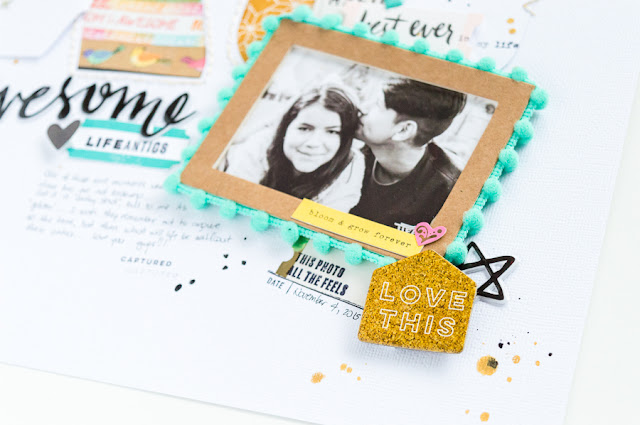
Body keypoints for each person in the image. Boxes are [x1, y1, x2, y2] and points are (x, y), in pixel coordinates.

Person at [220, 86, 365, 212]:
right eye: (304, 128)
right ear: (285, 128)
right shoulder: (260, 145)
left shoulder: (352, 163)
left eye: (332, 132)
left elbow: (325, 222)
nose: (314, 143)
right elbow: (236, 202)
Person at [349, 78, 467, 228]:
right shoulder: (354, 153)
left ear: (403, 130)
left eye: (377, 105)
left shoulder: (451, 192)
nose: (362, 108)